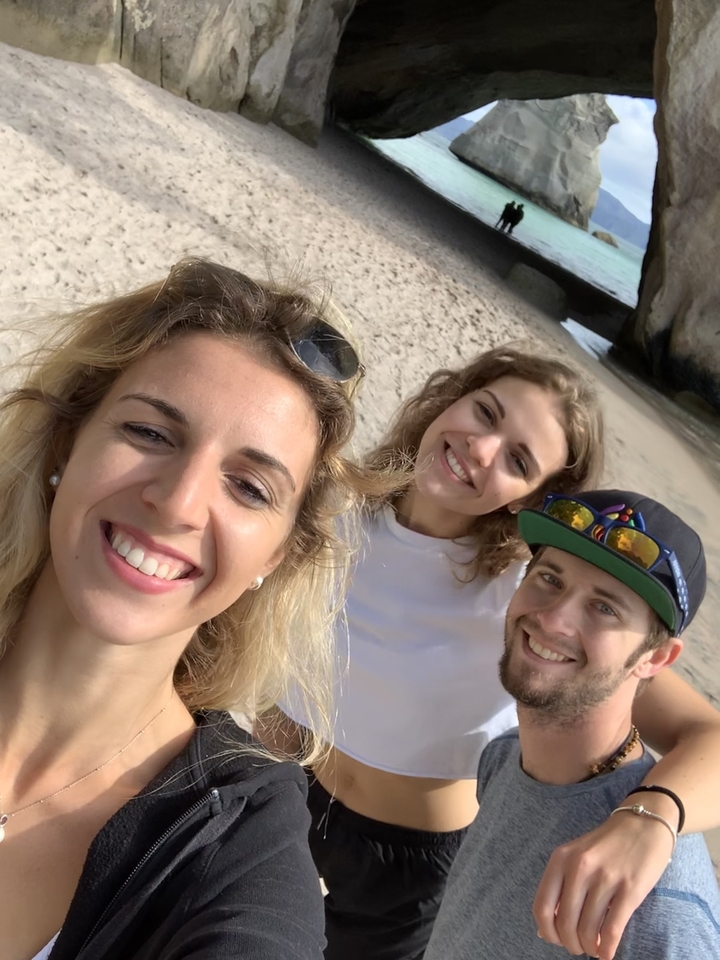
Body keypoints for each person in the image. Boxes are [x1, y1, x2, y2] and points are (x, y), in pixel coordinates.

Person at [258, 348, 720, 960]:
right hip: (278, 789)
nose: (480, 448)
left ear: (531, 499)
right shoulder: (331, 502)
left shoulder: (534, 597)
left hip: (401, 864)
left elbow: (709, 733)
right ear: (450, 396)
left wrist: (651, 819)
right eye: (485, 413)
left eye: (518, 459)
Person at [0, 257, 379, 960]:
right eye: (150, 433)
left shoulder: (238, 842)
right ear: (66, 442)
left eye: (249, 487)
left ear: (275, 557)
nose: (176, 504)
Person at [425, 489, 720, 960]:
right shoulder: (504, 758)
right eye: (549, 578)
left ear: (655, 658)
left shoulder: (656, 904)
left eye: (604, 607)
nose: (554, 618)